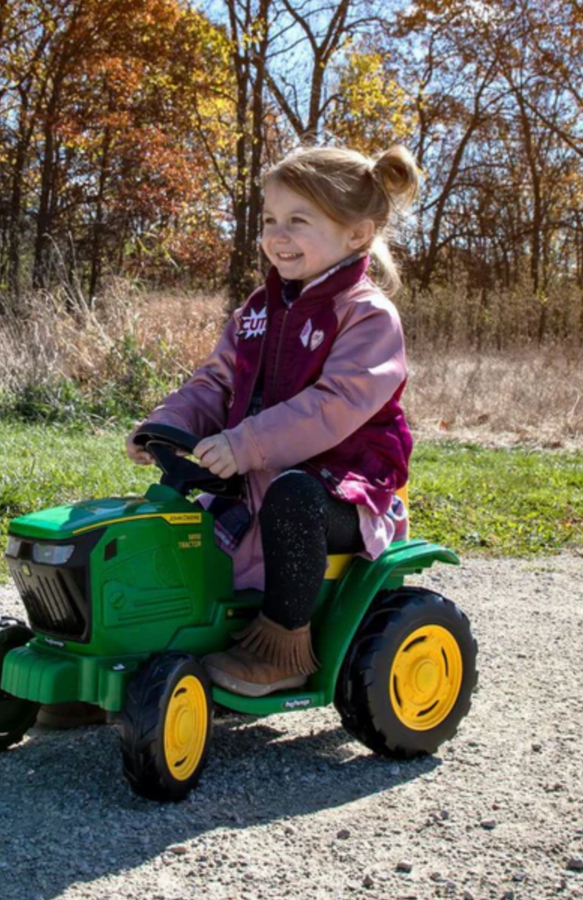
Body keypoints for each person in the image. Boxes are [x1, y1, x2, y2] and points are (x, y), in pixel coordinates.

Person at [129, 143, 420, 697]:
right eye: (269, 220)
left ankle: (284, 646)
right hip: (256, 472)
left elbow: (334, 405)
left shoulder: (366, 315)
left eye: (298, 221)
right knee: (175, 526)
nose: (276, 235)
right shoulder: (257, 312)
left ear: (356, 234)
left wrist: (245, 443)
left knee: (293, 497)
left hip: (343, 488)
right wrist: (166, 422)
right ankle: (142, 645)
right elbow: (216, 383)